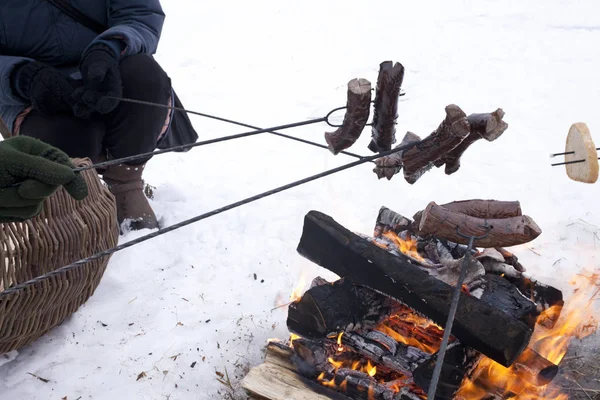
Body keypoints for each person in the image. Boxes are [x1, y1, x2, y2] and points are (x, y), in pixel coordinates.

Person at [0, 0, 198, 231]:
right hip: (29, 90)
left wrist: (110, 48)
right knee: (70, 137)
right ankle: (78, 201)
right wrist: (21, 77)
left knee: (146, 81)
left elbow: (140, 11)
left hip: (108, 64)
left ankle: (125, 181)